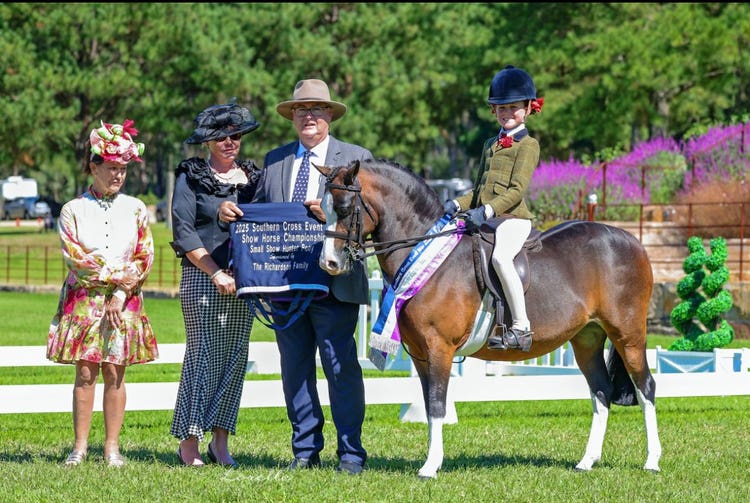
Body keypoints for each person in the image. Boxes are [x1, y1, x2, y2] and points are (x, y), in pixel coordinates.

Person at [219, 79, 372, 475]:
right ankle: (305, 450)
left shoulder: (356, 157)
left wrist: (327, 213)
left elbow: (369, 218)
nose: (309, 116)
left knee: (341, 368)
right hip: (285, 283)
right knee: (295, 368)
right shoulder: (274, 160)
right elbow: (255, 212)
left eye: (317, 109)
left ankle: (351, 453)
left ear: (329, 116)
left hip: (334, 281)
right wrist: (230, 211)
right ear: (292, 117)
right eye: (301, 110)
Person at [47, 119, 157, 468]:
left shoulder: (136, 208)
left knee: (115, 370)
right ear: (92, 166)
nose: (118, 175)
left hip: (124, 302)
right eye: (111, 168)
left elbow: (144, 254)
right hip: (85, 300)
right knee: (85, 372)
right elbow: (77, 258)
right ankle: (79, 447)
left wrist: (121, 293)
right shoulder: (72, 210)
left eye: (123, 169)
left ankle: (112, 448)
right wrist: (112, 281)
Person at [169, 101, 262, 468]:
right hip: (202, 276)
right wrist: (215, 272)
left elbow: (264, 224)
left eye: (235, 135)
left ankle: (220, 440)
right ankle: (189, 440)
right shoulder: (191, 175)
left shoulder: (253, 177)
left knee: (236, 356)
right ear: (208, 141)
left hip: (244, 282)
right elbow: (184, 229)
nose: (229, 142)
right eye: (221, 136)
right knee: (203, 354)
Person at [444, 65, 543, 352]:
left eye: (513, 107)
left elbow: (516, 192)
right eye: (501, 108)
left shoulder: (528, 145)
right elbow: (479, 189)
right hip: (486, 217)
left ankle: (521, 327)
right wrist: (455, 204)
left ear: (527, 108)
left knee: (500, 259)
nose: (507, 113)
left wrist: (487, 211)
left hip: (513, 218)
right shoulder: (490, 144)